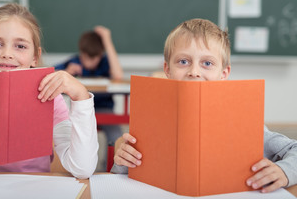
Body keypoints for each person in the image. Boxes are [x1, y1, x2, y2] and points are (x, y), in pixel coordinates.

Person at [111, 18, 297, 193]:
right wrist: (122, 159)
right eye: (183, 62)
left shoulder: (246, 127)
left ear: (224, 73)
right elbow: (119, 177)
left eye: (207, 63)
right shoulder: (150, 125)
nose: (194, 72)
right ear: (167, 69)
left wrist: (285, 171)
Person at [0, 3, 98, 179]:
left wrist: (81, 97)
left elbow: (82, 169)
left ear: (35, 57)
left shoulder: (49, 97)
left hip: (33, 190)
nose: (7, 54)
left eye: (20, 46)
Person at [54, 26, 124, 144]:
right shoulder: (75, 61)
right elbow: (50, 74)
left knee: (116, 137)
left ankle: (108, 163)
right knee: (68, 136)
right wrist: (67, 72)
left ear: (101, 54)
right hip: (79, 109)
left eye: (94, 58)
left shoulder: (105, 62)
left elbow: (118, 76)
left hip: (104, 109)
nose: (89, 62)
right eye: (86, 57)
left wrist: (107, 41)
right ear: (81, 53)